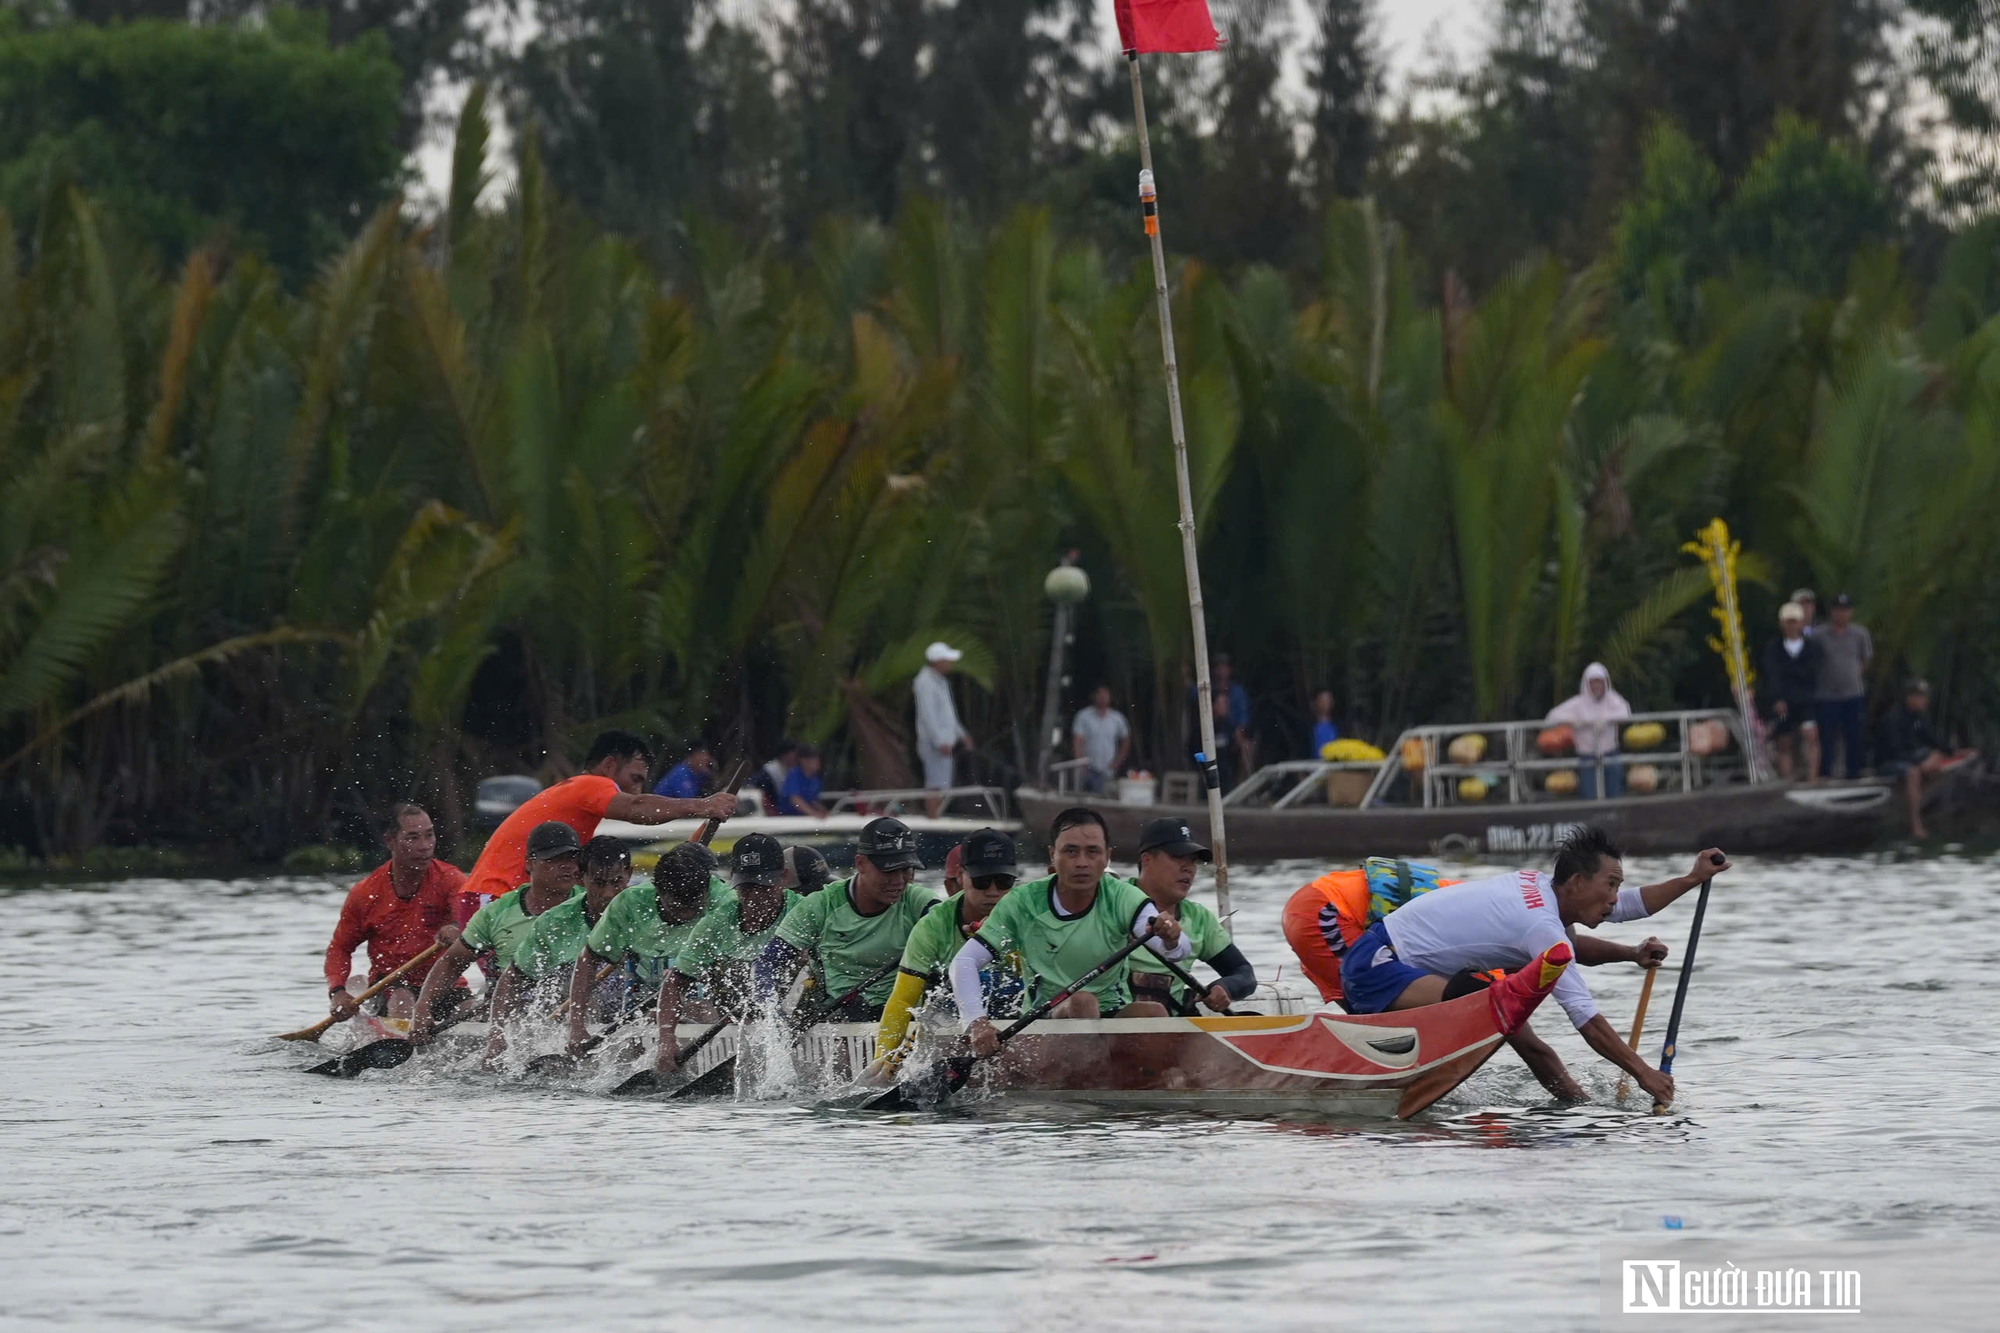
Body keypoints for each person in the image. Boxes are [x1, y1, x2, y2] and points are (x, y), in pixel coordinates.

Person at [1340, 826, 1726, 1105]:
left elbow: (1628, 906)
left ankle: (1575, 1102)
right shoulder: (1540, 925)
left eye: (1616, 887)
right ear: (1577, 882)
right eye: (1610, 885)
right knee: (1501, 1010)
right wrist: (1644, 1074)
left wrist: (1692, 879)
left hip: (1395, 962)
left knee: (1507, 1011)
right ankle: (1576, 1106)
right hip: (1374, 965)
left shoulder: (1544, 889)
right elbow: (1585, 1017)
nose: (1614, 897)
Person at [950, 808, 1190, 1055]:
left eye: (1092, 851)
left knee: (1154, 1011)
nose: (1082, 862)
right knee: (1083, 1002)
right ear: (1052, 855)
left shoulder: (1124, 898)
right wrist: (977, 1023)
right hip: (1044, 1021)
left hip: (1112, 1014)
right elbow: (964, 962)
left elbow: (1176, 952)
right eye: (1071, 851)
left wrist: (1171, 938)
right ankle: (1097, 1072)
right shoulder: (1023, 903)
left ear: (1107, 857)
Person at [453, 729, 736, 924]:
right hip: (493, 896)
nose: (638, 790)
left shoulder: (577, 804)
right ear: (609, 765)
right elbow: (636, 808)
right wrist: (703, 805)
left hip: (509, 899)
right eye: (635, 779)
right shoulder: (590, 784)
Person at [411, 821, 585, 1043]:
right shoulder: (496, 913)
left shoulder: (592, 906)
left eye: (572, 858)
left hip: (576, 1011)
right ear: (529, 863)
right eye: (555, 859)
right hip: (513, 1014)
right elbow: (452, 963)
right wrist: (422, 1007)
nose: (567, 866)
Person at [756, 817, 942, 1022]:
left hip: (903, 1015)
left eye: (906, 870)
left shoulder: (919, 902)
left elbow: (950, 930)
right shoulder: (821, 905)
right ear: (860, 863)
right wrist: (773, 1015)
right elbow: (768, 963)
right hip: (840, 1015)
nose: (898, 881)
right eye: (888, 870)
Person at [651, 833, 804, 1077]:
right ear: (734, 881)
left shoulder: (803, 912)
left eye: (764, 887)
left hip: (794, 1018)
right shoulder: (717, 923)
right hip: (732, 1018)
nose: (755, 898)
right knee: (695, 1006)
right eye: (747, 888)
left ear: (784, 877)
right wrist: (666, 1040)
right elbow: (675, 983)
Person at [872, 831, 1022, 1068]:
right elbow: (902, 1001)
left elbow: (1042, 978)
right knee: (944, 993)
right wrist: (882, 1060)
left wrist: (1002, 944)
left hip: (1018, 1006)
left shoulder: (1027, 912)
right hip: (954, 1014)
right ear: (961, 876)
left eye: (1004, 882)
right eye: (982, 881)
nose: (993, 891)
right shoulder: (932, 926)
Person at [564, 842, 728, 1054]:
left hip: (695, 993)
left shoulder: (723, 900)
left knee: (703, 1011)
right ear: (659, 892)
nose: (687, 915)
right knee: (649, 1018)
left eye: (694, 906)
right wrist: (577, 1026)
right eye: (677, 908)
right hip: (642, 994)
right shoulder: (629, 903)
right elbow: (588, 960)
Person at [483, 836, 632, 1063]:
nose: (608, 894)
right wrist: (496, 1036)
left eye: (617, 882)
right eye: (599, 883)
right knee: (563, 987)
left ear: (630, 875)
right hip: (582, 1010)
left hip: (635, 1005)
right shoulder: (554, 922)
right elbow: (512, 979)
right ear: (580, 878)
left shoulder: (646, 911)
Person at [322, 804, 468, 1025]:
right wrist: (337, 991)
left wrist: (457, 928)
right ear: (390, 841)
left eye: (429, 835)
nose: (425, 846)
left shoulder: (451, 879)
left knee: (470, 1009)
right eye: (413, 838)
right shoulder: (365, 893)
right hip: (390, 983)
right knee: (402, 1000)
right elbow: (340, 948)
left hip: (443, 981)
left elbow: (471, 922)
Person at [1125, 818, 1256, 1014]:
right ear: (1147, 860)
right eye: (1178, 857)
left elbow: (1244, 974)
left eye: (1193, 860)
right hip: (1111, 1020)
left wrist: (1225, 987)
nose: (1188, 868)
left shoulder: (1199, 918)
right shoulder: (1114, 901)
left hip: (1171, 1026)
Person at [1877, 679, 1977, 840]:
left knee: (1935, 758)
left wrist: (1956, 752)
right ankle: (1915, 823)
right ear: (1910, 698)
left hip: (1910, 759)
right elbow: (1894, 752)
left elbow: (1933, 739)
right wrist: (1919, 763)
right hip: (1889, 762)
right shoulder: (1893, 718)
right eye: (1920, 697)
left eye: (1924, 696)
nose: (1924, 700)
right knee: (1913, 772)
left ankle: (1921, 803)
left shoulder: (1918, 718)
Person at [1546, 662, 1633, 800]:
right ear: (1587, 684)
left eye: (1600, 682)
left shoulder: (1613, 699)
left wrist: (1607, 719)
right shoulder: (1578, 703)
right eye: (1593, 682)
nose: (1597, 685)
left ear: (1605, 682)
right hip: (1587, 756)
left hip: (1610, 752)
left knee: (1614, 794)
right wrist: (1575, 720)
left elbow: (1626, 713)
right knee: (1589, 796)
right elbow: (1552, 716)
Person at [1759, 603, 1824, 781]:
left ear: (1801, 622)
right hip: (1784, 701)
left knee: (1811, 736)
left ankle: (1812, 778)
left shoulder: (1812, 647)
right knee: (1784, 742)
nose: (1791, 625)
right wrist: (1777, 698)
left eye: (1795, 621)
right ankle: (1787, 779)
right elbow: (1772, 674)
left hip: (1806, 699)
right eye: (1788, 621)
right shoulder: (1773, 647)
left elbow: (1813, 672)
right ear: (1781, 623)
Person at [1815, 593, 1873, 780]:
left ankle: (1853, 773)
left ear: (1851, 612)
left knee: (1854, 735)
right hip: (1826, 695)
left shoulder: (1860, 633)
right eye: (1838, 609)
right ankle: (1825, 774)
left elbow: (1865, 660)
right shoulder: (1818, 635)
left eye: (1845, 610)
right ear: (1832, 611)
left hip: (1853, 694)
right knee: (1827, 737)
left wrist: (1853, 675)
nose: (1841, 613)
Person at [914, 641, 972, 815]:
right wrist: (940, 741)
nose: (950, 663)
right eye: (947, 659)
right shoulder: (924, 682)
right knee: (935, 783)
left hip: (946, 741)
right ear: (937, 661)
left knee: (942, 783)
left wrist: (962, 734)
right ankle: (932, 818)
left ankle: (937, 815)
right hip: (933, 742)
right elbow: (928, 715)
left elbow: (949, 714)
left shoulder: (941, 682)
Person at [1191, 655, 1253, 789]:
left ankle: (1241, 787)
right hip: (1208, 733)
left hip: (1230, 733)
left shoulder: (1237, 691)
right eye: (1218, 667)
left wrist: (1239, 733)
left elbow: (1243, 718)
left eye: (1224, 667)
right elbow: (1194, 696)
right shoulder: (1205, 688)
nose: (1221, 671)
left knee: (1245, 748)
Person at [1071, 685, 1132, 794]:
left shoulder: (1117, 718)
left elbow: (1126, 741)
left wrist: (1117, 762)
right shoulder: (1083, 716)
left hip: (1108, 768)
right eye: (1100, 695)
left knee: (1104, 795)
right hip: (1087, 766)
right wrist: (1080, 762)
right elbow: (1077, 741)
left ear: (1110, 697)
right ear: (1094, 696)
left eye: (1105, 695)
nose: (1103, 698)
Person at [747, 740, 800, 814]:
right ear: (785, 755)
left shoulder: (792, 769)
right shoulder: (769, 771)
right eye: (794, 756)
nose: (797, 759)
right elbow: (753, 786)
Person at [780, 744, 828, 817]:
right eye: (812, 758)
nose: (816, 761)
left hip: (803, 817)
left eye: (817, 758)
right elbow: (795, 799)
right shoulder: (793, 775)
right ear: (802, 760)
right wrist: (813, 813)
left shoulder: (815, 778)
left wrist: (820, 809)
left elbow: (809, 800)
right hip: (787, 817)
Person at [1310, 689, 1339, 754]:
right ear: (1315, 703)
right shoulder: (1308, 727)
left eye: (1328, 700)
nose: (1325, 703)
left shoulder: (1339, 726)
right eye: (1322, 700)